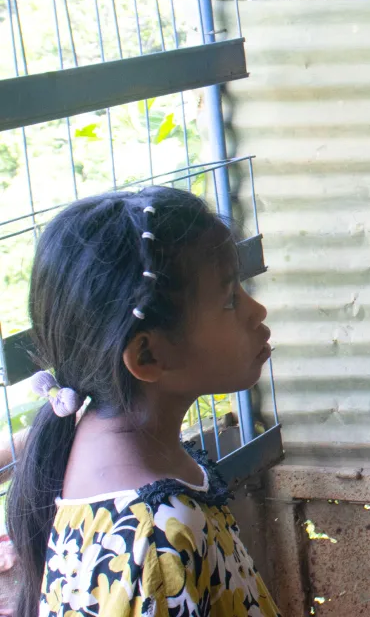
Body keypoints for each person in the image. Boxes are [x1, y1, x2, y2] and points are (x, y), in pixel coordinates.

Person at [4, 186, 278, 617]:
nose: (256, 310)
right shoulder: (158, 546)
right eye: (229, 299)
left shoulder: (119, 446)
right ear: (149, 356)